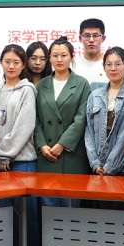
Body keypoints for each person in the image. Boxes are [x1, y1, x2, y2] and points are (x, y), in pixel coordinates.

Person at [0, 44, 39, 246]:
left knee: (25, 215)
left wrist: (4, 153)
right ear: (1, 62)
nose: (11, 66)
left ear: (23, 65)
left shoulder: (27, 90)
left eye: (16, 62)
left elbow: (24, 126)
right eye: (7, 61)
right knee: (5, 214)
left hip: (22, 161)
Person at [34, 37, 91, 206]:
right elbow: (35, 119)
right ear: (49, 58)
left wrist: (61, 145)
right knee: (48, 208)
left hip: (71, 155)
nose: (59, 59)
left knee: (71, 208)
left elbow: (81, 119)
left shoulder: (81, 84)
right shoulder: (42, 85)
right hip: (46, 155)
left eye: (64, 55)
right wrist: (42, 145)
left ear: (72, 56)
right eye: (55, 55)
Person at [85, 47, 124, 178]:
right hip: (97, 167)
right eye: (109, 64)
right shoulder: (95, 95)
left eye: (118, 64)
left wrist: (110, 167)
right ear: (104, 67)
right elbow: (89, 132)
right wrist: (95, 163)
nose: (113, 68)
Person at [72, 18, 107, 89]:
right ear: (80, 38)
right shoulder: (72, 65)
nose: (91, 40)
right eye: (87, 36)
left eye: (95, 35)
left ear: (103, 38)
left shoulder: (111, 66)